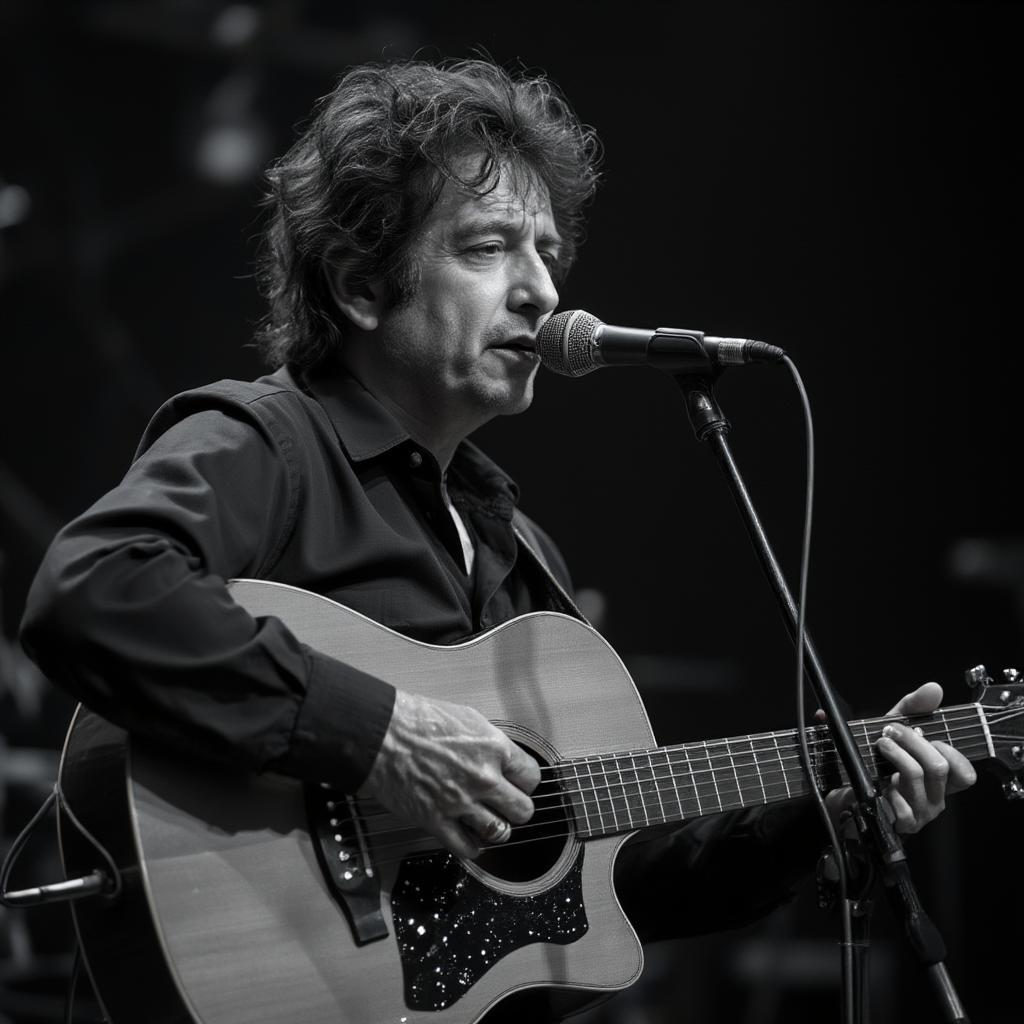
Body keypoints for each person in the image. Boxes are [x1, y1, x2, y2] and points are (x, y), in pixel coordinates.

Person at [20, 59, 974, 1017]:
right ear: (359, 284)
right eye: (488, 248)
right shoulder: (270, 444)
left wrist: (820, 813)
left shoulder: (521, 549)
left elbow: (612, 889)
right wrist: (381, 734)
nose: (542, 291)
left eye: (548, 252)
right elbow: (96, 588)